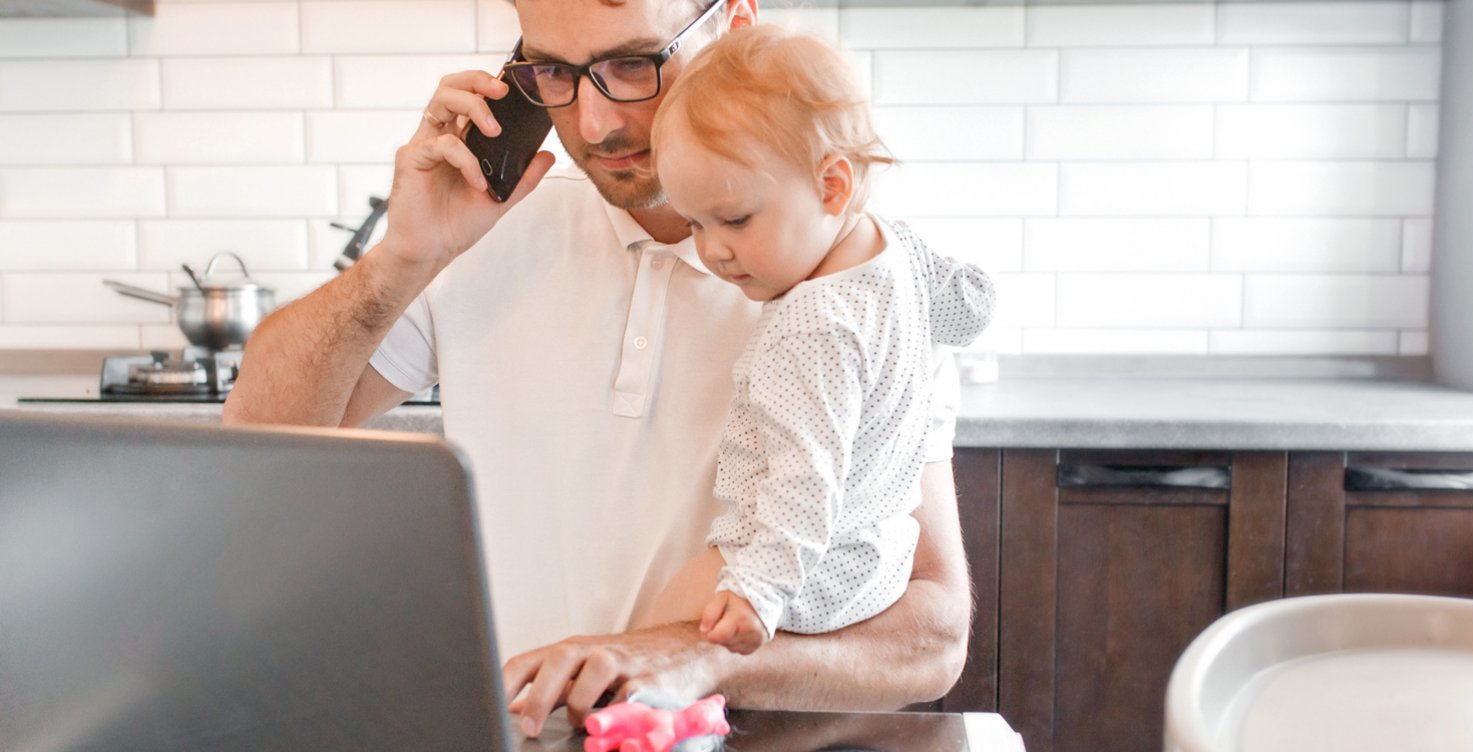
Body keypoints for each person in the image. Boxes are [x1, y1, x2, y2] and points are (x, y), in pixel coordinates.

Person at [221, 0, 971, 739]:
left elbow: (934, 637)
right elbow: (255, 437)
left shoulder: (857, 283)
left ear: (734, 24)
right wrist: (405, 258)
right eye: (553, 71)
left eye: (633, 64)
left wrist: (696, 658)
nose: (593, 123)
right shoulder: (486, 220)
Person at [642, 26, 995, 656]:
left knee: (637, 652)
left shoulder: (808, 327)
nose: (712, 250)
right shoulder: (898, 246)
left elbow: (806, 482)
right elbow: (965, 305)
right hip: (882, 555)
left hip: (804, 568)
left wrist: (756, 592)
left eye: (735, 219)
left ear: (831, 185)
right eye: (695, 223)